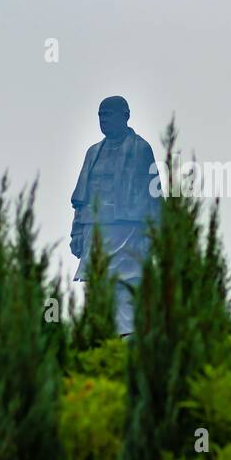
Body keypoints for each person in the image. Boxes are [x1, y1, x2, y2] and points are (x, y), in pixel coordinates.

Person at [70, 96, 161, 335]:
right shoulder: (93, 153)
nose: (103, 120)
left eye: (108, 115)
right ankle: (98, 336)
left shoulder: (141, 149)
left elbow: (155, 194)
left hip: (127, 230)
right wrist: (77, 231)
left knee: (126, 285)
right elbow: (81, 198)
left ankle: (127, 337)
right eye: (100, 116)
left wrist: (157, 235)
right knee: (96, 284)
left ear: (125, 115)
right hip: (95, 230)